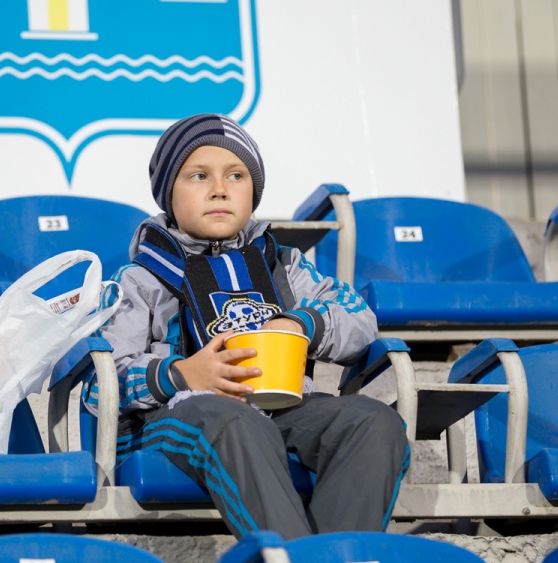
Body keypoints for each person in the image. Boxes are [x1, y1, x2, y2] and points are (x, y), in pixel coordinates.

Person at [85, 113, 409, 539]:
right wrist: (182, 373)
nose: (220, 189)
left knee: (373, 422)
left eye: (236, 175)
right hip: (177, 417)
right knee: (235, 420)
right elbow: (98, 384)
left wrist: (303, 323)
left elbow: (359, 317)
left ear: (253, 193)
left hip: (283, 407)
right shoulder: (139, 278)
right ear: (168, 194)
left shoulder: (283, 265)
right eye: (199, 175)